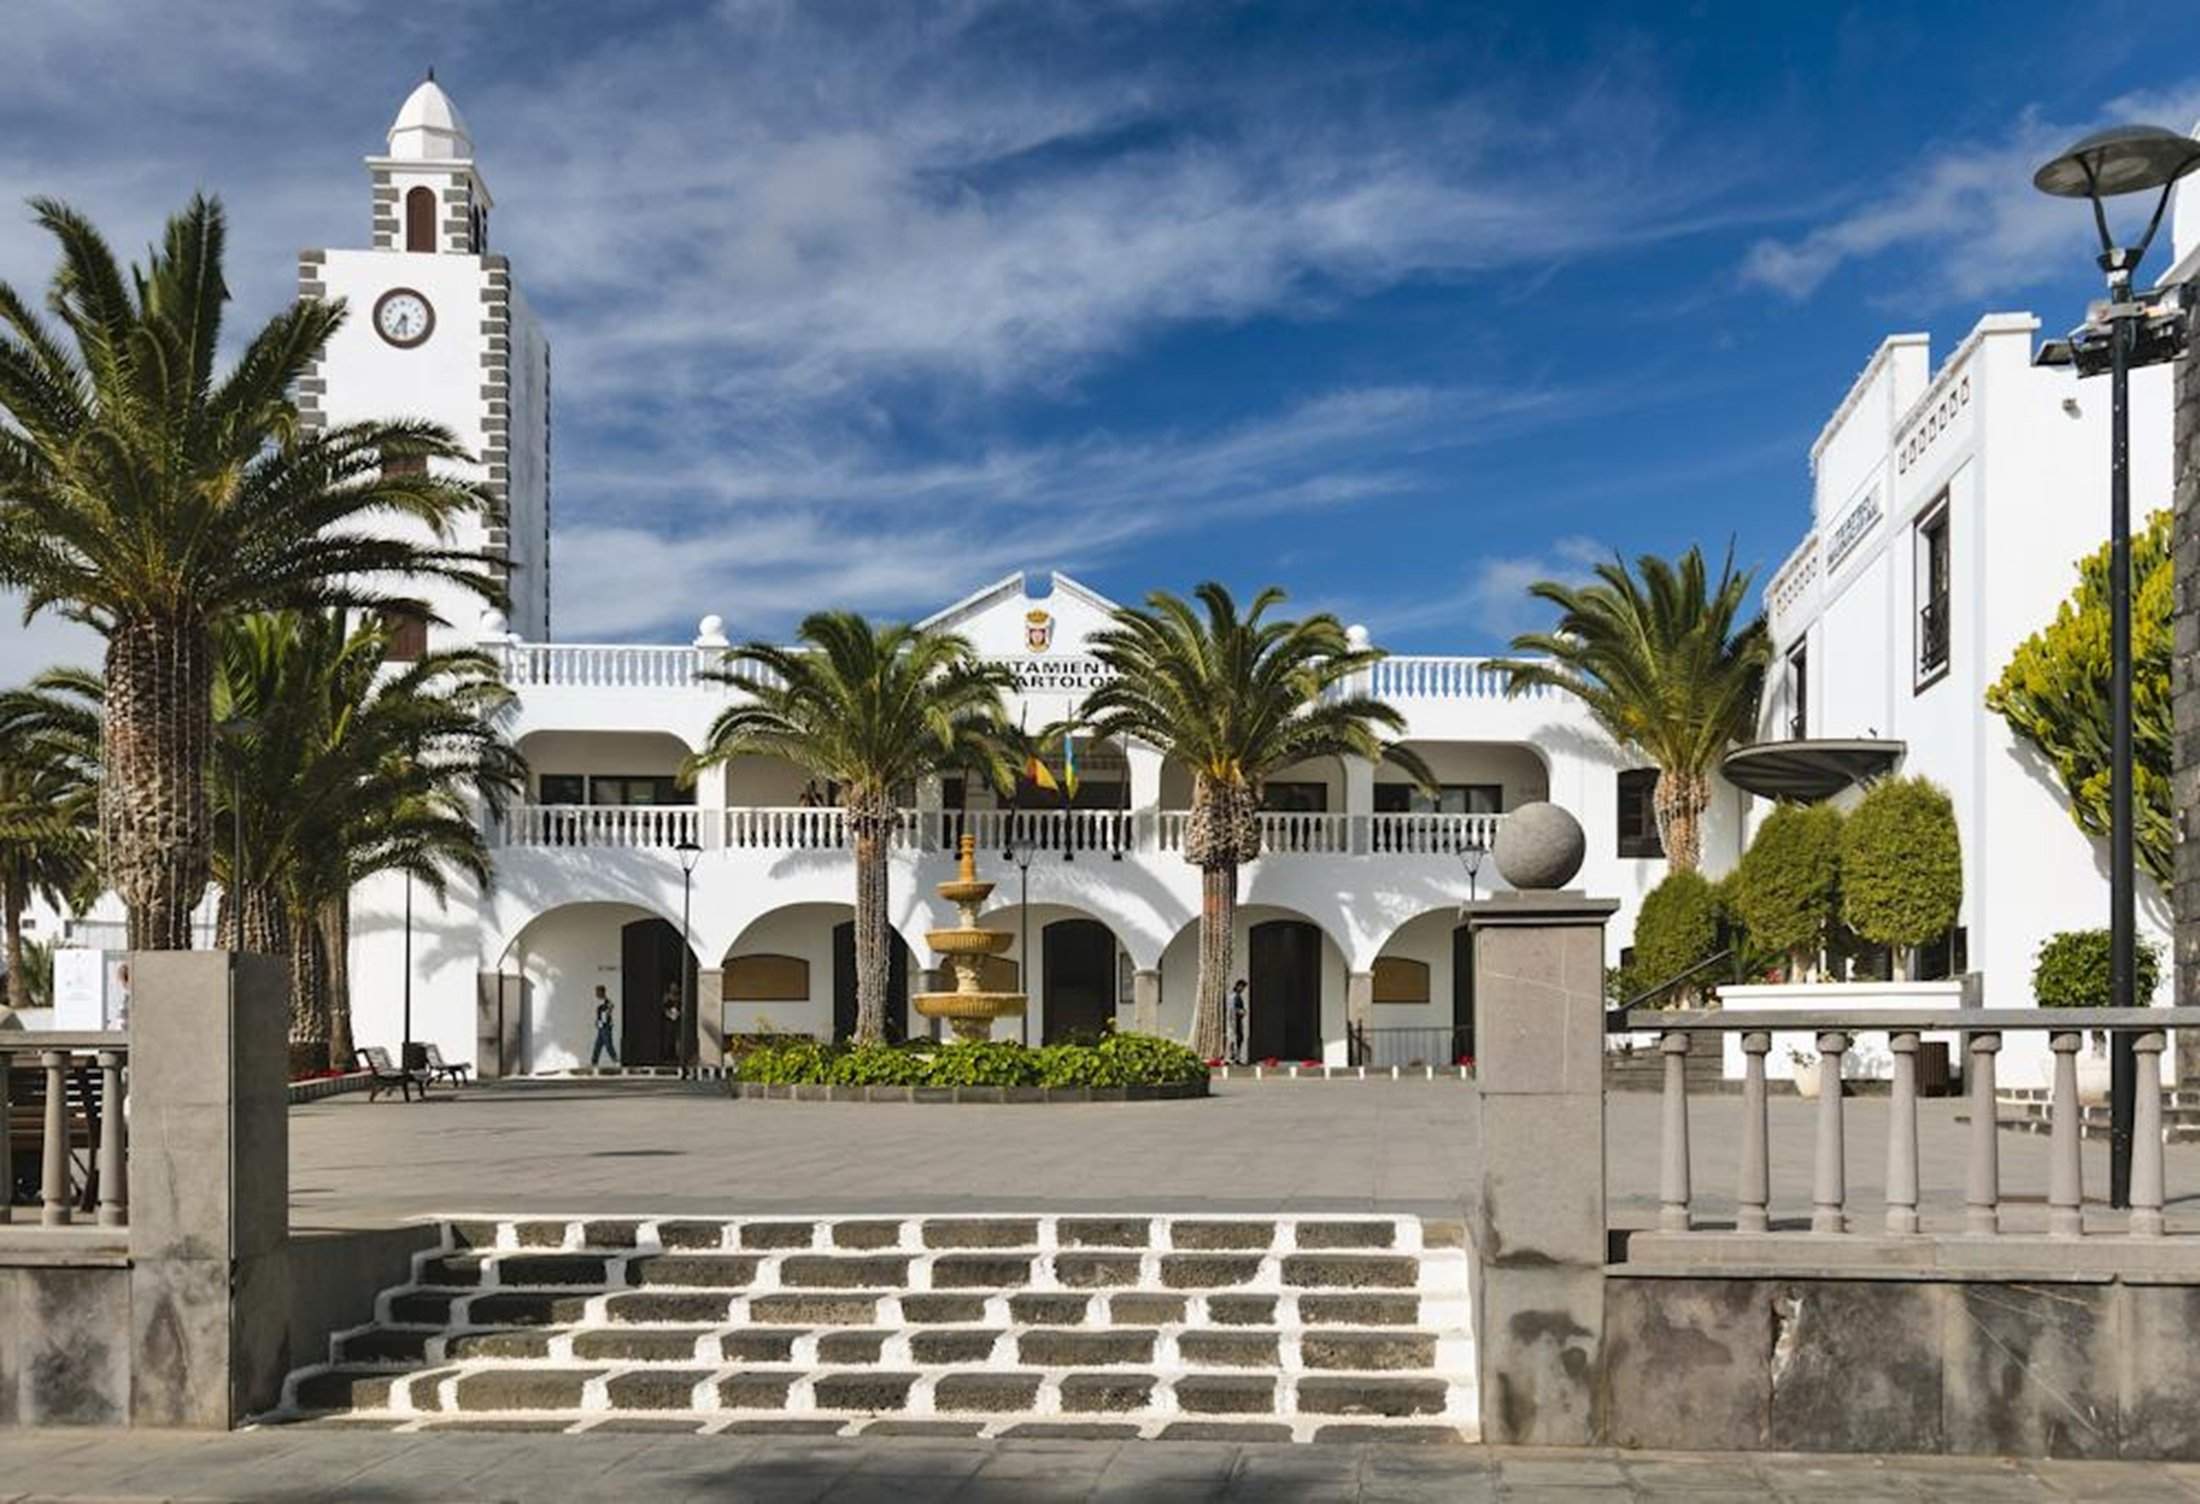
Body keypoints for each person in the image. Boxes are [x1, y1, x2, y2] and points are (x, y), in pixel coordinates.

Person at [589, 986, 618, 1067]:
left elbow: (610, 1008)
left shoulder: (607, 1002)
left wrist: (606, 1015)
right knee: (598, 1045)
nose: (596, 994)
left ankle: (616, 1060)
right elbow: (599, 1014)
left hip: (606, 1027)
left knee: (608, 1044)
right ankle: (594, 1062)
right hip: (601, 1027)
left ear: (602, 992)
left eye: (598, 992)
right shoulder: (599, 1002)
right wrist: (597, 1022)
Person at [1229, 978, 1249, 1064]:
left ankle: (1236, 1057)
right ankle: (1234, 1057)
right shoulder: (1234, 996)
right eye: (1242, 987)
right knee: (1236, 1038)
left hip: (1236, 1021)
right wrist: (1241, 1011)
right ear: (1238, 986)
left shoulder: (1235, 996)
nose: (1243, 989)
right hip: (1234, 1021)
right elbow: (1233, 1009)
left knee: (1238, 1038)